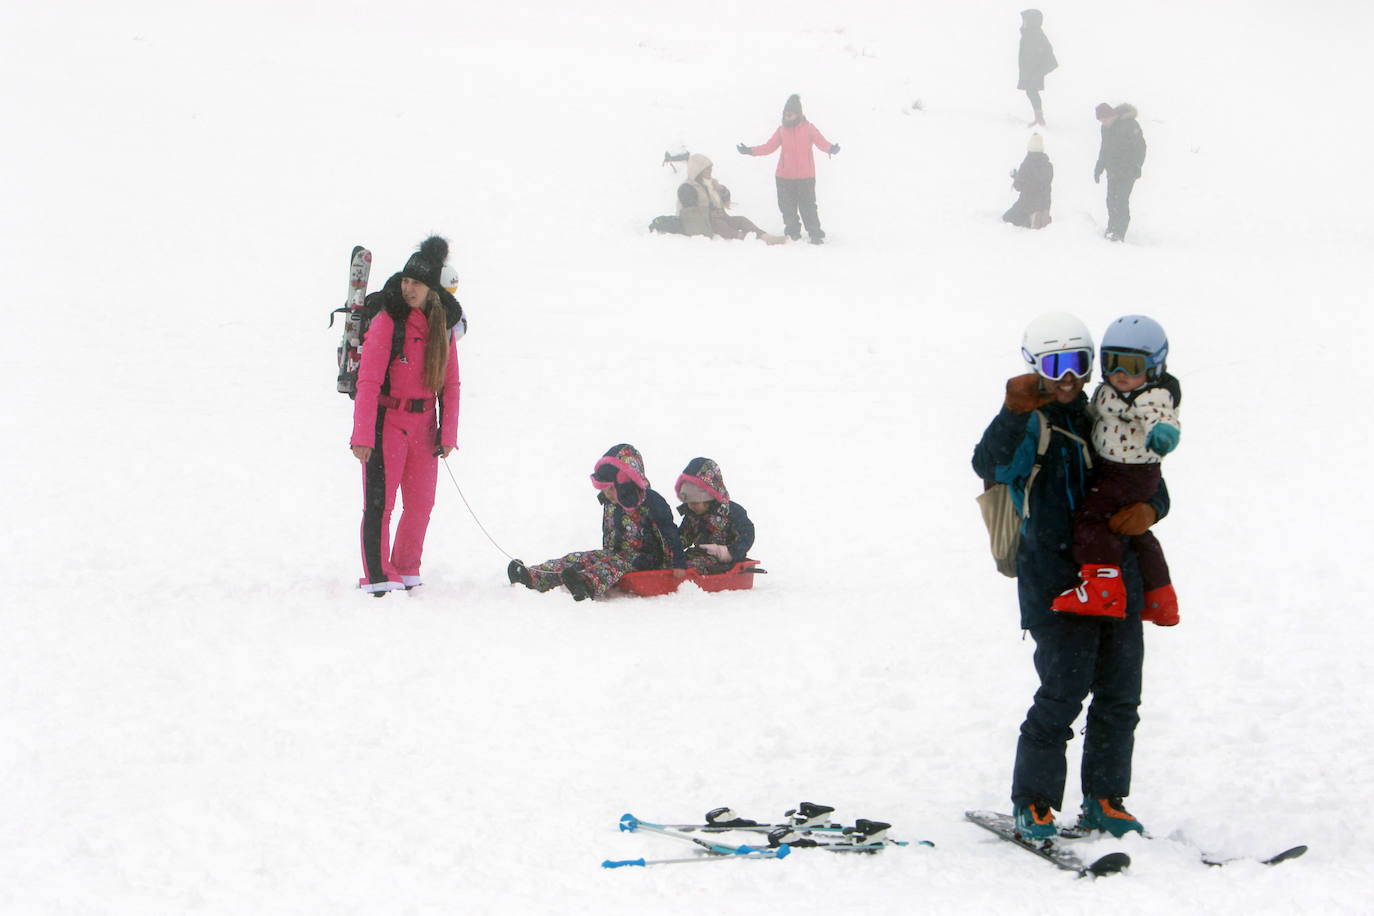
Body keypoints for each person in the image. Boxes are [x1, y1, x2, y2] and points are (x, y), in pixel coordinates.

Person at [972, 312, 1170, 840]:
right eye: (1055, 365)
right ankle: (1033, 802)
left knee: (1120, 693)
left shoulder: (1106, 415)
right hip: (1055, 581)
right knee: (1062, 692)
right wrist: (1012, 412)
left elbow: (1149, 480)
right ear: (1034, 367)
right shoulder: (1032, 424)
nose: (1067, 378)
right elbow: (987, 463)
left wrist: (1151, 510)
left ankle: (1105, 799)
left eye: (1078, 364)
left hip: (1116, 576)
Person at [351, 236, 464, 595]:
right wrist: (363, 436)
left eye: (416, 283)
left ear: (432, 289)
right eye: (405, 281)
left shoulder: (440, 327)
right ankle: (378, 573)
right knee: (381, 504)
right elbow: (368, 381)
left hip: (424, 426)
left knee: (421, 504)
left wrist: (448, 434)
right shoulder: (388, 322)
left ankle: (406, 566)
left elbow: (451, 385)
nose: (408, 288)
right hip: (388, 424)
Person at [1052, 316, 1180, 626]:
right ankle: (1160, 597)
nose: (1121, 374)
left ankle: (1102, 589)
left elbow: (1162, 418)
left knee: (1092, 521)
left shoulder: (1152, 396)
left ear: (1154, 367)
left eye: (1132, 366)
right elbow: (1093, 414)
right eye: (1113, 363)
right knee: (1133, 534)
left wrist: (1163, 434)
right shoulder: (1107, 392)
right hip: (1115, 471)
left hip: (1129, 474)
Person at [507, 444, 687, 601]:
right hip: (616, 553)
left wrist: (678, 563)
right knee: (581, 558)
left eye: (610, 488)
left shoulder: (652, 502)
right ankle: (535, 576)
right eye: (603, 489)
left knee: (613, 564)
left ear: (625, 483)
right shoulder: (611, 502)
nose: (606, 494)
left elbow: (669, 532)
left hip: (647, 559)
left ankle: (585, 584)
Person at [737, 94, 839, 244]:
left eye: (790, 114)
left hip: (806, 177)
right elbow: (768, 147)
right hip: (784, 177)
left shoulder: (809, 129)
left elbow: (821, 142)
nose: (787, 117)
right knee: (787, 209)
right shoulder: (781, 131)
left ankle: (815, 233)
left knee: (808, 207)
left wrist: (831, 148)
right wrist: (750, 151)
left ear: (798, 114)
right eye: (785, 114)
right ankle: (793, 233)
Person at [676, 154, 785, 244]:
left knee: (742, 220)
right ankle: (746, 238)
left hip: (722, 216)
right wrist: (711, 213)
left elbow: (725, 199)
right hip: (707, 222)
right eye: (707, 169)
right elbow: (691, 212)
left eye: (711, 168)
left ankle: (765, 236)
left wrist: (723, 191)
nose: (710, 171)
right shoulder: (688, 187)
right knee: (722, 226)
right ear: (698, 171)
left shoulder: (712, 183)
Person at [674, 457, 755, 574]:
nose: (690, 507)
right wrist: (672, 547)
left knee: (691, 566)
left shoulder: (731, 513)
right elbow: (684, 535)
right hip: (699, 554)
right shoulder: (692, 515)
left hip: (724, 559)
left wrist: (729, 552)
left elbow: (747, 534)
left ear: (708, 498)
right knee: (675, 562)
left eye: (694, 503)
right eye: (688, 503)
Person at [1093, 102, 1147, 241]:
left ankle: (1119, 232)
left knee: (1121, 201)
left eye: (1105, 120)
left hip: (1128, 171)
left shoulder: (1130, 125)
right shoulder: (1105, 129)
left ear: (1112, 115)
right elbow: (1104, 148)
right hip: (1113, 171)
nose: (1103, 123)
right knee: (1111, 201)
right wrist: (1099, 167)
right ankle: (1111, 228)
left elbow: (1141, 147)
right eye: (1101, 121)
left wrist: (1137, 165)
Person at [1003, 133, 1053, 229]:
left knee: (1008, 217)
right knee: (1037, 206)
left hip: (1027, 203)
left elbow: (1019, 186)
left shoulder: (1026, 164)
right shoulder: (1048, 166)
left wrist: (1015, 176)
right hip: (1044, 203)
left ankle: (1031, 219)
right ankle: (1043, 215)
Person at [1017, 9, 1058, 127]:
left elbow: (1052, 61)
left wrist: (1038, 73)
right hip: (1029, 71)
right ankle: (1039, 119)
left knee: (1032, 92)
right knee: (1031, 92)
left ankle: (1040, 120)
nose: (1023, 22)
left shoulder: (1038, 35)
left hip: (1034, 72)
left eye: (1026, 20)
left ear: (1032, 21)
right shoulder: (1028, 34)